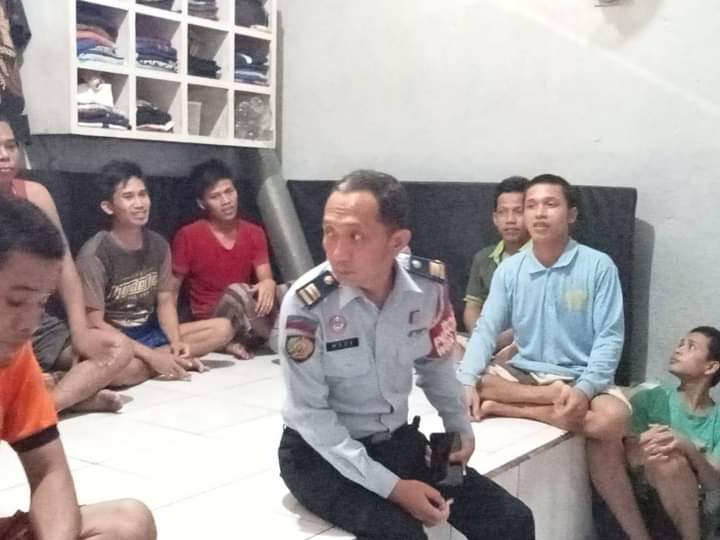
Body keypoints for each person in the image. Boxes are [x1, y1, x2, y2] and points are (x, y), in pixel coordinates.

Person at [278, 170, 534, 540]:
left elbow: (436, 364)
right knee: (403, 535)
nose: (337, 252)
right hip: (317, 456)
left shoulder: (427, 287)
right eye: (329, 232)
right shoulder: (307, 304)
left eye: (355, 236)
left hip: (395, 441)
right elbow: (310, 415)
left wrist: (458, 428)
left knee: (512, 519)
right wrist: (395, 488)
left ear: (397, 242)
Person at [458, 174, 636, 536]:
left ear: (571, 214)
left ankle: (509, 406)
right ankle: (541, 398)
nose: (539, 213)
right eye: (531, 205)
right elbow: (487, 328)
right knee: (467, 373)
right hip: (524, 373)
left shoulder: (598, 265)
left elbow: (609, 337)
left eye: (550, 204)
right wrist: (466, 380)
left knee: (611, 421)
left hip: (580, 376)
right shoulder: (511, 269)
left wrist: (584, 389)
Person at [0, 194, 157, 540]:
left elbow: (49, 471)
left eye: (41, 303)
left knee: (128, 522)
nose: (29, 324)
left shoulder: (14, 359)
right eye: (16, 301)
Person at [0, 115, 135, 413]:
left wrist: (80, 331)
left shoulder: (36, 195)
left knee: (119, 352)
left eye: (10, 146)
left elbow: (64, 266)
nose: (4, 155)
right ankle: (66, 393)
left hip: (38, 323)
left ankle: (44, 407)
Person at [76, 160, 232, 384]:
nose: (139, 203)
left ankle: (166, 360)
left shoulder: (158, 244)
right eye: (128, 197)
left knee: (223, 329)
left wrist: (176, 343)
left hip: (151, 333)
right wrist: (152, 356)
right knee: (126, 371)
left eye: (143, 194)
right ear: (108, 207)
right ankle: (156, 363)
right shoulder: (94, 254)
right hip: (116, 340)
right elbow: (95, 323)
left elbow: (165, 301)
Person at [605, 327, 720, 540]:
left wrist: (687, 447)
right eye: (680, 344)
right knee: (669, 460)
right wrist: (651, 447)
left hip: (702, 511)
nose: (678, 350)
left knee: (674, 457)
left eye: (691, 346)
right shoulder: (651, 398)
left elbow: (714, 483)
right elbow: (628, 456)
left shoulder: (717, 419)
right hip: (649, 500)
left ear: (711, 366)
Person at [172, 159, 280, 360]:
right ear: (202, 203)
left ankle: (275, 338)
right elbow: (171, 291)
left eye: (229, 192)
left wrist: (268, 283)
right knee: (237, 291)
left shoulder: (254, 232)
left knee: (291, 290)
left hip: (245, 312)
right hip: (212, 319)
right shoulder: (188, 235)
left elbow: (265, 276)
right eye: (215, 196)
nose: (226, 201)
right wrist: (171, 331)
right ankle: (270, 339)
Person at [463, 176, 530, 333]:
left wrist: (499, 341)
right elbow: (472, 307)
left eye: (519, 212)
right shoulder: (483, 258)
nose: (510, 220)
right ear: (495, 218)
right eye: (502, 212)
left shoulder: (545, 257)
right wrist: (480, 338)